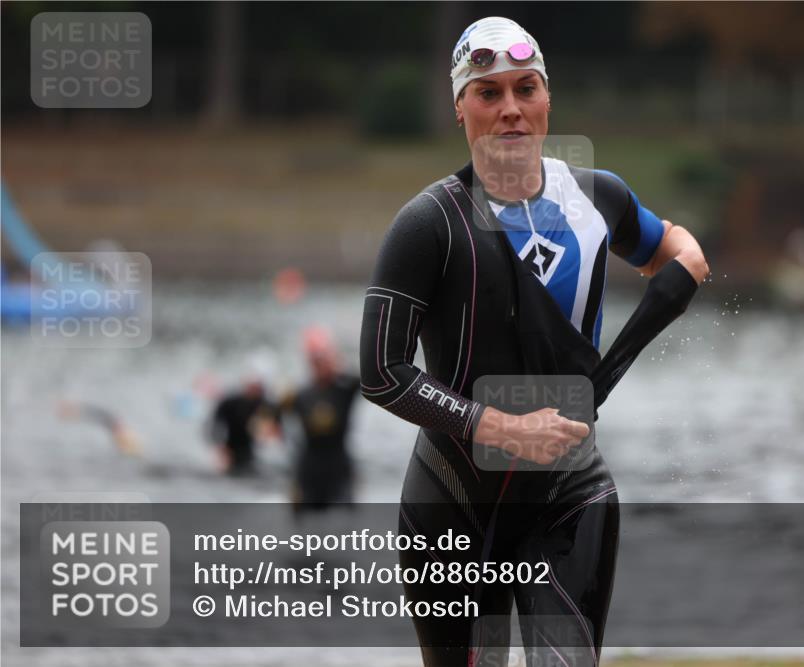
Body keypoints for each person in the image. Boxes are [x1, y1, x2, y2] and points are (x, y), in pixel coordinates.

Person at [359, 16, 709, 666]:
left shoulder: (599, 197)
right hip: (455, 499)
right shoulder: (427, 224)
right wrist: (498, 426)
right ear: (460, 107)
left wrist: (685, 256)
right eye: (489, 93)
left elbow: (670, 247)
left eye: (527, 88)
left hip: (570, 491)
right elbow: (382, 370)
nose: (512, 109)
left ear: (549, 98)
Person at [280, 326, 361, 513]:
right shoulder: (299, 394)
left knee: (346, 528)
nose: (321, 365)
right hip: (309, 468)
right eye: (316, 360)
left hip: (339, 467)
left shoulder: (345, 388)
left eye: (324, 359)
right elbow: (268, 416)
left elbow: (372, 381)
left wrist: (340, 365)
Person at [208, 361, 277, 476]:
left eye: (258, 386)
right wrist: (220, 448)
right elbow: (214, 427)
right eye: (252, 385)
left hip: (255, 457)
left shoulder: (268, 406)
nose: (254, 390)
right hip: (231, 451)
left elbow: (275, 435)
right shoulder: (230, 403)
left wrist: (271, 434)